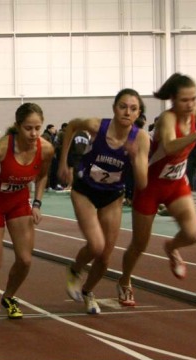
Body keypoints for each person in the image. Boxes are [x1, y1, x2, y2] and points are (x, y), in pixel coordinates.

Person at [118, 73, 196, 306]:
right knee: (139, 244)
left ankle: (171, 247)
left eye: (194, 98)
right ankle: (124, 281)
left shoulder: (193, 110)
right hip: (151, 186)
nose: (191, 104)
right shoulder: (167, 119)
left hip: (176, 183)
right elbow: (171, 146)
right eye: (185, 100)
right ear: (173, 99)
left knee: (193, 234)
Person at [57, 88, 150, 314]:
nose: (127, 112)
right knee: (96, 245)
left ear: (138, 114)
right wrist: (64, 163)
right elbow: (71, 126)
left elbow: (142, 183)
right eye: (123, 106)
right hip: (85, 190)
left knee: (105, 256)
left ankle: (88, 291)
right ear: (114, 108)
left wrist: (135, 156)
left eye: (133, 108)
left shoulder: (141, 138)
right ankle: (75, 269)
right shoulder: (97, 126)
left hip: (112, 196)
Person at [0, 103, 54, 319]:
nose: (33, 134)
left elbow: (42, 176)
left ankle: (9, 296)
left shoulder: (46, 149)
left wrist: (37, 203)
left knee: (25, 260)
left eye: (37, 128)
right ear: (17, 126)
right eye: (28, 128)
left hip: (18, 203)